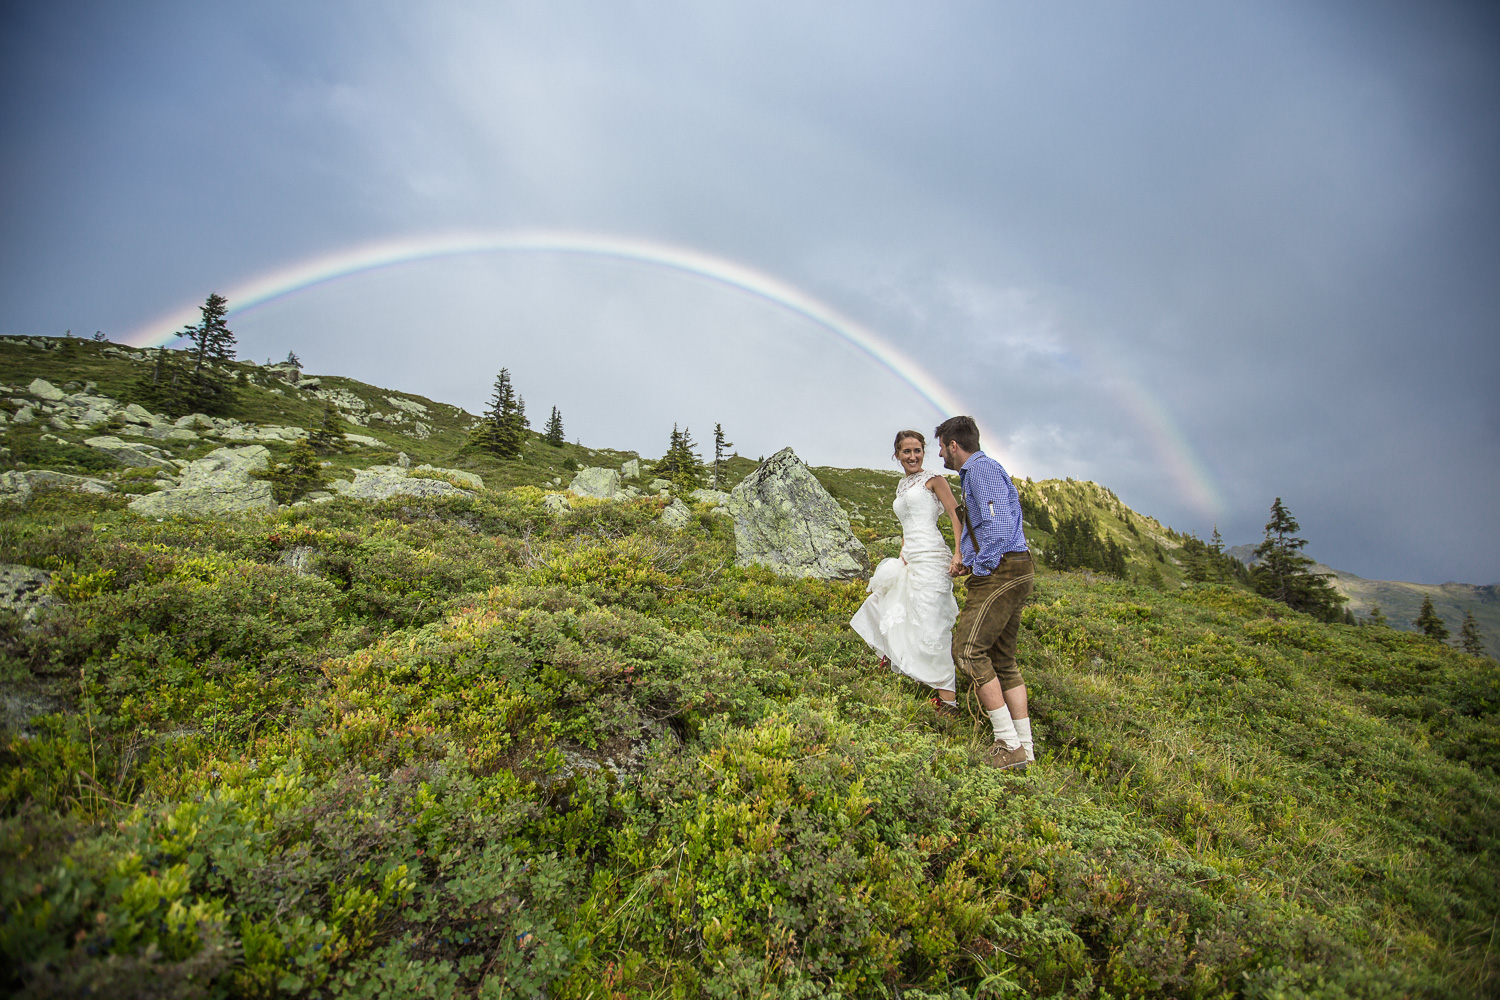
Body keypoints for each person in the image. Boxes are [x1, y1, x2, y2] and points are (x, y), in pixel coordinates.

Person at [936, 415, 1035, 772]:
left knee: (967, 650)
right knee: (1003, 660)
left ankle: (1007, 743)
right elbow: (993, 523)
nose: (941, 456)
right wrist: (971, 557)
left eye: (942, 448)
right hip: (1012, 567)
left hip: (1002, 570)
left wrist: (982, 565)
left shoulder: (980, 471)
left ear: (953, 445)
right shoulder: (981, 472)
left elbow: (999, 525)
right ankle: (1025, 748)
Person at [850, 430, 966, 711]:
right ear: (897, 454)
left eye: (917, 450)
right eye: (906, 451)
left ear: (923, 452)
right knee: (883, 603)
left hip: (932, 556)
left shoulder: (934, 480)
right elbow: (907, 525)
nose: (912, 456)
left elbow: (956, 514)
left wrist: (959, 553)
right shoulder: (902, 486)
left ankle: (947, 700)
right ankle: (895, 661)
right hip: (909, 557)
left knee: (932, 624)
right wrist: (902, 552)